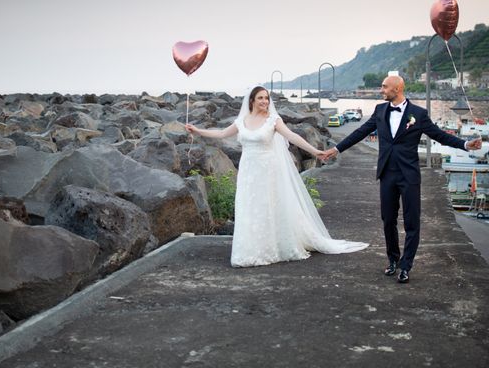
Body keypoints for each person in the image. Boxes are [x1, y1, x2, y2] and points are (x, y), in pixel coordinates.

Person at [322, 75, 482, 283]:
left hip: (409, 175)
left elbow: (439, 135)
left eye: (384, 87)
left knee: (411, 222)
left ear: (397, 89)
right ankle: (393, 260)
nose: (381, 90)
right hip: (387, 174)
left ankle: (406, 266)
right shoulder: (380, 111)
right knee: (388, 220)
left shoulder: (418, 114)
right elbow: (360, 132)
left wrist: (465, 145)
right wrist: (336, 149)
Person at [186, 86, 368, 267]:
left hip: (268, 171)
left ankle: (272, 247)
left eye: (266, 98)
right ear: (252, 101)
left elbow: (292, 136)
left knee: (269, 207)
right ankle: (249, 249)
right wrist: (197, 130)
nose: (265, 101)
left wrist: (315, 151)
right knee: (249, 207)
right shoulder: (242, 120)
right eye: (260, 98)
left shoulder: (273, 120)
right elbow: (222, 133)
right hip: (248, 172)